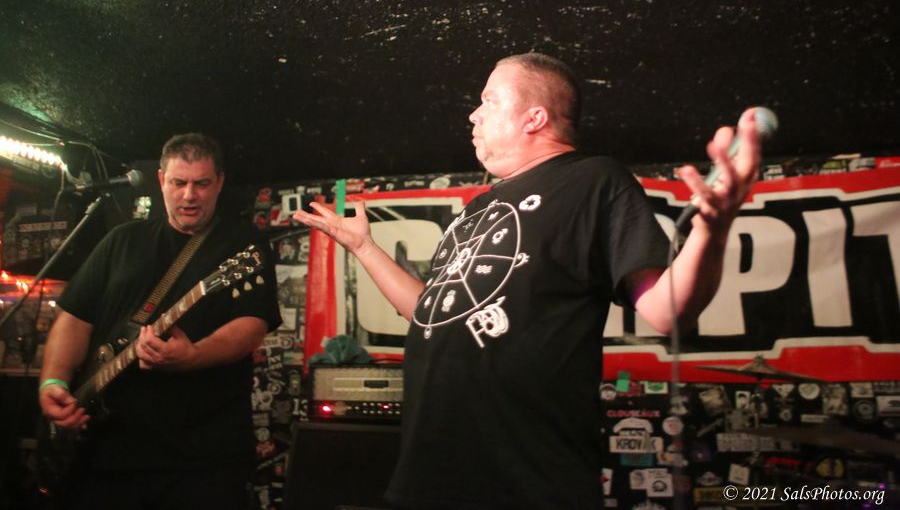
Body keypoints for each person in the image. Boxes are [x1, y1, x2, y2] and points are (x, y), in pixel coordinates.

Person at [293, 52, 761, 509]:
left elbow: (666, 310)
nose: (474, 114)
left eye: (489, 100)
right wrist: (364, 248)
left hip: (527, 482)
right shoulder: (479, 208)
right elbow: (429, 313)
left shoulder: (594, 179)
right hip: (428, 477)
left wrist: (712, 230)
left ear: (534, 118)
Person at [38, 133, 281, 510]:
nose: (189, 195)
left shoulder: (242, 245)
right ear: (161, 180)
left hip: (201, 457)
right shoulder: (122, 240)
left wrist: (194, 356)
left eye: (202, 183)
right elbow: (74, 318)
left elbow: (251, 325)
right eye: (179, 182)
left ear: (220, 182)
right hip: (105, 452)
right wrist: (53, 381)